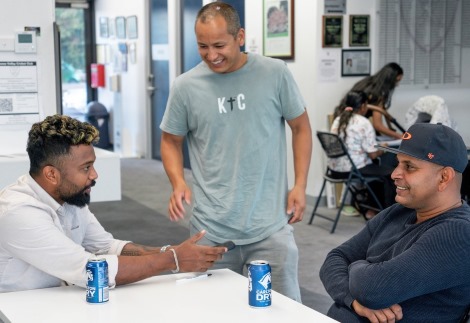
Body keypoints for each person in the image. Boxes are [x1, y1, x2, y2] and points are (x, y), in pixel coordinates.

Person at [160, 2, 312, 302]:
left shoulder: (275, 73)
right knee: (210, 311)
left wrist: (300, 184)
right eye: (202, 46)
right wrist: (177, 182)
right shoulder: (185, 86)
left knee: (284, 313)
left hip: (269, 226)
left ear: (239, 36)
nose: (211, 55)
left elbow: (301, 127)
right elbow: (170, 140)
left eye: (219, 45)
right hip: (211, 228)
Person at [0, 114, 227, 293]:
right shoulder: (18, 212)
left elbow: (106, 247)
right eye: (85, 168)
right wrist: (173, 260)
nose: (95, 175)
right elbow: (90, 270)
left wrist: (170, 251)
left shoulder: (69, 197)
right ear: (51, 174)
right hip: (15, 311)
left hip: (51, 303)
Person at [320, 123, 470, 322]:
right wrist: (354, 301)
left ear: (444, 177)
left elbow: (371, 289)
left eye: (409, 166)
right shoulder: (398, 211)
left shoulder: (458, 233)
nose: (394, 174)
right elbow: (334, 258)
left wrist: (356, 265)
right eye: (398, 163)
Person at [329, 91, 395, 218]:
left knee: (374, 168)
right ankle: (386, 214)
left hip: (335, 170)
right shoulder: (363, 122)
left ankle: (370, 210)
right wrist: (384, 148)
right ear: (364, 105)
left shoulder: (338, 119)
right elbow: (373, 155)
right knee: (389, 173)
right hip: (354, 170)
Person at [335, 62, 404, 140]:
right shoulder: (378, 94)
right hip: (353, 129)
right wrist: (399, 136)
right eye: (396, 81)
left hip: (342, 123)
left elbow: (382, 110)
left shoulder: (367, 82)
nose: (397, 85)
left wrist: (390, 127)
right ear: (390, 80)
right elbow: (378, 125)